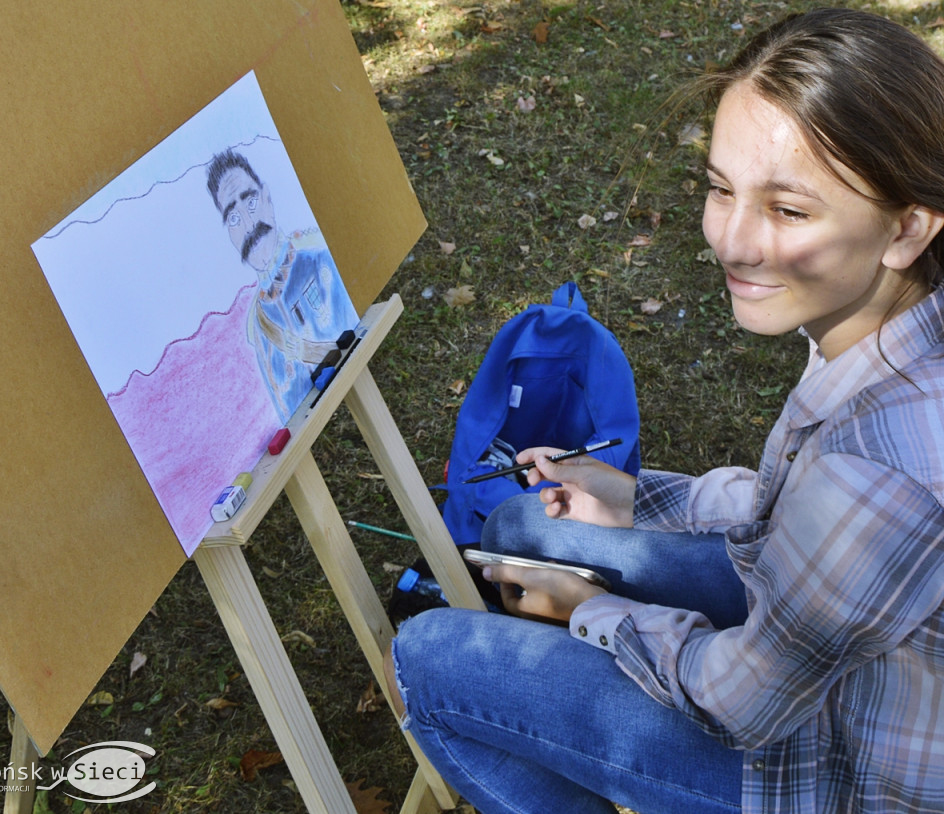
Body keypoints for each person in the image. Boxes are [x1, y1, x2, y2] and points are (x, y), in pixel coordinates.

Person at [385, 8, 944, 813]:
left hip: (832, 777)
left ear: (907, 228)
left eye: (789, 211)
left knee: (429, 659)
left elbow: (744, 702)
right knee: (517, 529)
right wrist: (633, 498)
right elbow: (798, 519)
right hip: (840, 676)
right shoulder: (888, 325)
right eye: (721, 189)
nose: (734, 241)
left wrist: (596, 614)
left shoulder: (881, 466)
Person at [206, 149, 357, 423]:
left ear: (267, 198)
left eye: (250, 202)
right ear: (228, 233)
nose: (249, 224)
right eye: (234, 218)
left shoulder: (319, 258)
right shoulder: (257, 326)